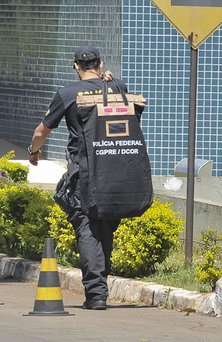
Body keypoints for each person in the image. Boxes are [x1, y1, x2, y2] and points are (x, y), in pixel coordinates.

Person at [28, 46, 127, 310]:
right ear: (101, 63)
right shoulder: (117, 87)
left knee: (86, 225)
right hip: (115, 167)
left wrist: (33, 152)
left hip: (84, 169)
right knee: (104, 226)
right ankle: (99, 289)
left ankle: (96, 295)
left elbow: (41, 131)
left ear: (76, 67)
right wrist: (112, 82)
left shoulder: (68, 94)